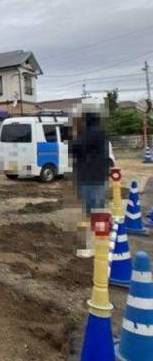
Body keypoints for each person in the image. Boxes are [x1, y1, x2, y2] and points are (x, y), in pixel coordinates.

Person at [69, 99, 110, 257]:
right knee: (96, 211)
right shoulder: (95, 131)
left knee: (95, 212)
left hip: (92, 178)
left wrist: (74, 130)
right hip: (93, 176)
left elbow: (75, 147)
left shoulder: (93, 132)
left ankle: (97, 246)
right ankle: (99, 243)